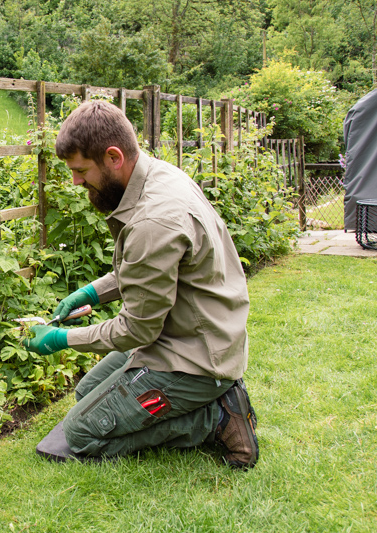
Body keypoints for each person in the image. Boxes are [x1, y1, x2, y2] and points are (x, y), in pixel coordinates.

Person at [23, 100, 259, 468]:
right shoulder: (158, 176)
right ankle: (212, 402)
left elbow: (136, 329)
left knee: (82, 433)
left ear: (113, 156)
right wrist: (90, 293)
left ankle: (216, 419)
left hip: (195, 358)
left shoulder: (156, 219)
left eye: (81, 170)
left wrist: (61, 340)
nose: (75, 181)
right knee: (87, 391)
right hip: (186, 334)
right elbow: (145, 267)